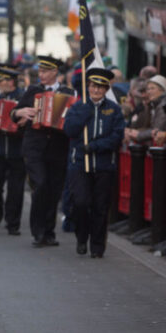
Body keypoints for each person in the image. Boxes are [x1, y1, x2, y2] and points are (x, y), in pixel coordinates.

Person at [11, 55, 75, 248]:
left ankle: (49, 231)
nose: (42, 75)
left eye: (45, 71)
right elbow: (14, 114)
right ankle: (38, 232)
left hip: (58, 148)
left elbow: (72, 118)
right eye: (40, 71)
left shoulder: (68, 93)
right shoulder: (33, 91)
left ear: (55, 72)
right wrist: (19, 112)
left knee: (54, 190)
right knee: (40, 185)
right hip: (35, 148)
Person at [64, 68, 125, 258]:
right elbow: (69, 131)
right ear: (88, 86)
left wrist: (96, 146)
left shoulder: (114, 110)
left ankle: (97, 246)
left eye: (100, 87)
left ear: (106, 89)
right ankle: (82, 237)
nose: (96, 91)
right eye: (93, 86)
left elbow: (117, 137)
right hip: (80, 163)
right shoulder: (77, 106)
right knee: (81, 203)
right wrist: (84, 113)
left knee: (100, 206)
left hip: (104, 165)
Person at [0, 67, 26, 235]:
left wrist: (23, 121)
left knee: (16, 190)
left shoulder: (23, 98)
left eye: (3, 81)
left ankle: (13, 223)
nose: (0, 84)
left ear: (11, 82)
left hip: (17, 150)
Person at [126, 75, 166, 145]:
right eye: (148, 89)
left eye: (152, 88)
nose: (149, 92)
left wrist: (138, 135)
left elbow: (157, 130)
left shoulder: (162, 106)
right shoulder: (154, 104)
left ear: (162, 90)